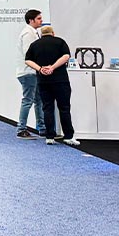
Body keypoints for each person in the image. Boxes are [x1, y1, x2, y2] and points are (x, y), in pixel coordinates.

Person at [24, 25, 78, 146]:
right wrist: (52, 67)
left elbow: (27, 60)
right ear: (53, 33)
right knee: (64, 108)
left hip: (43, 81)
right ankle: (68, 136)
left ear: (41, 34)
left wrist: (40, 69)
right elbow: (66, 56)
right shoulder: (60, 42)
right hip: (60, 80)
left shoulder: (35, 44)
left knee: (47, 108)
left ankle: (49, 136)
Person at [15, 9, 47, 139]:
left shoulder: (33, 33)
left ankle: (42, 128)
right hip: (28, 72)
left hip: (33, 71)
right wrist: (40, 67)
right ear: (31, 20)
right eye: (38, 18)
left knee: (38, 100)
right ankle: (21, 129)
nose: (41, 20)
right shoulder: (28, 34)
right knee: (28, 100)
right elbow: (29, 54)